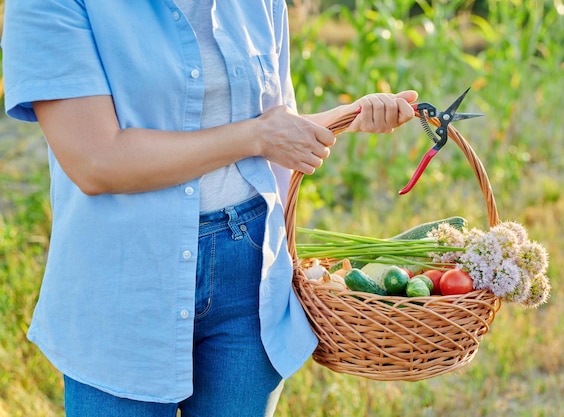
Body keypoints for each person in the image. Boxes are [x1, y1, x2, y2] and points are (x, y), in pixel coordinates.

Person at [2, 1, 418, 416]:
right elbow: (97, 162)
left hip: (248, 273)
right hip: (126, 283)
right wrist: (254, 137)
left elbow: (275, 130)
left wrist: (348, 116)